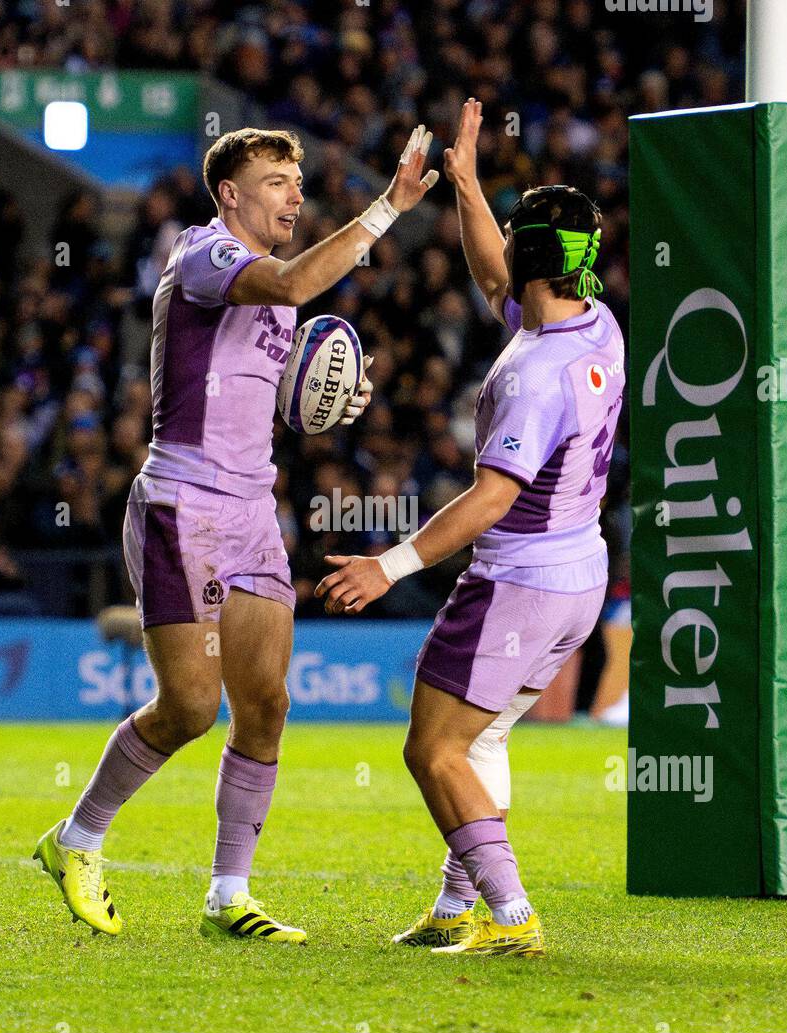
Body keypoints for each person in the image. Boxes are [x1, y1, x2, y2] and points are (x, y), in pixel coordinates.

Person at [34, 124, 439, 940]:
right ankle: (75, 839)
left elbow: (260, 385)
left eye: (297, 179)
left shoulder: (270, 289)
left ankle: (229, 893)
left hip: (254, 512)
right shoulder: (202, 255)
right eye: (279, 181)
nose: (296, 193)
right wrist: (389, 208)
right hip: (182, 506)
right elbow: (289, 286)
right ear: (231, 193)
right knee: (188, 706)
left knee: (265, 704)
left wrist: (325, 398)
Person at [316, 100, 625, 957]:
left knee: (433, 750)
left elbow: (491, 497)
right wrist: (469, 187)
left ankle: (512, 912)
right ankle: (458, 908)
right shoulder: (592, 323)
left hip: (519, 579)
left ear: (535, 258)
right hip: (579, 575)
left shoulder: (535, 371)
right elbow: (499, 276)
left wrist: (392, 563)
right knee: (479, 737)